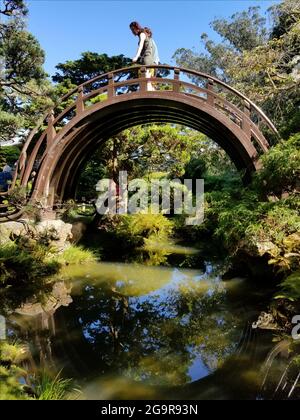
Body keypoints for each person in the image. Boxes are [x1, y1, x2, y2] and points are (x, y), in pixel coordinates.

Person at [129, 21, 160, 91]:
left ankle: (148, 94)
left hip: (147, 60)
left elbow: (140, 46)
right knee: (150, 80)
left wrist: (136, 57)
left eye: (132, 29)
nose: (132, 32)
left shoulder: (142, 34)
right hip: (151, 61)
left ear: (136, 28)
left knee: (146, 78)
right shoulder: (148, 36)